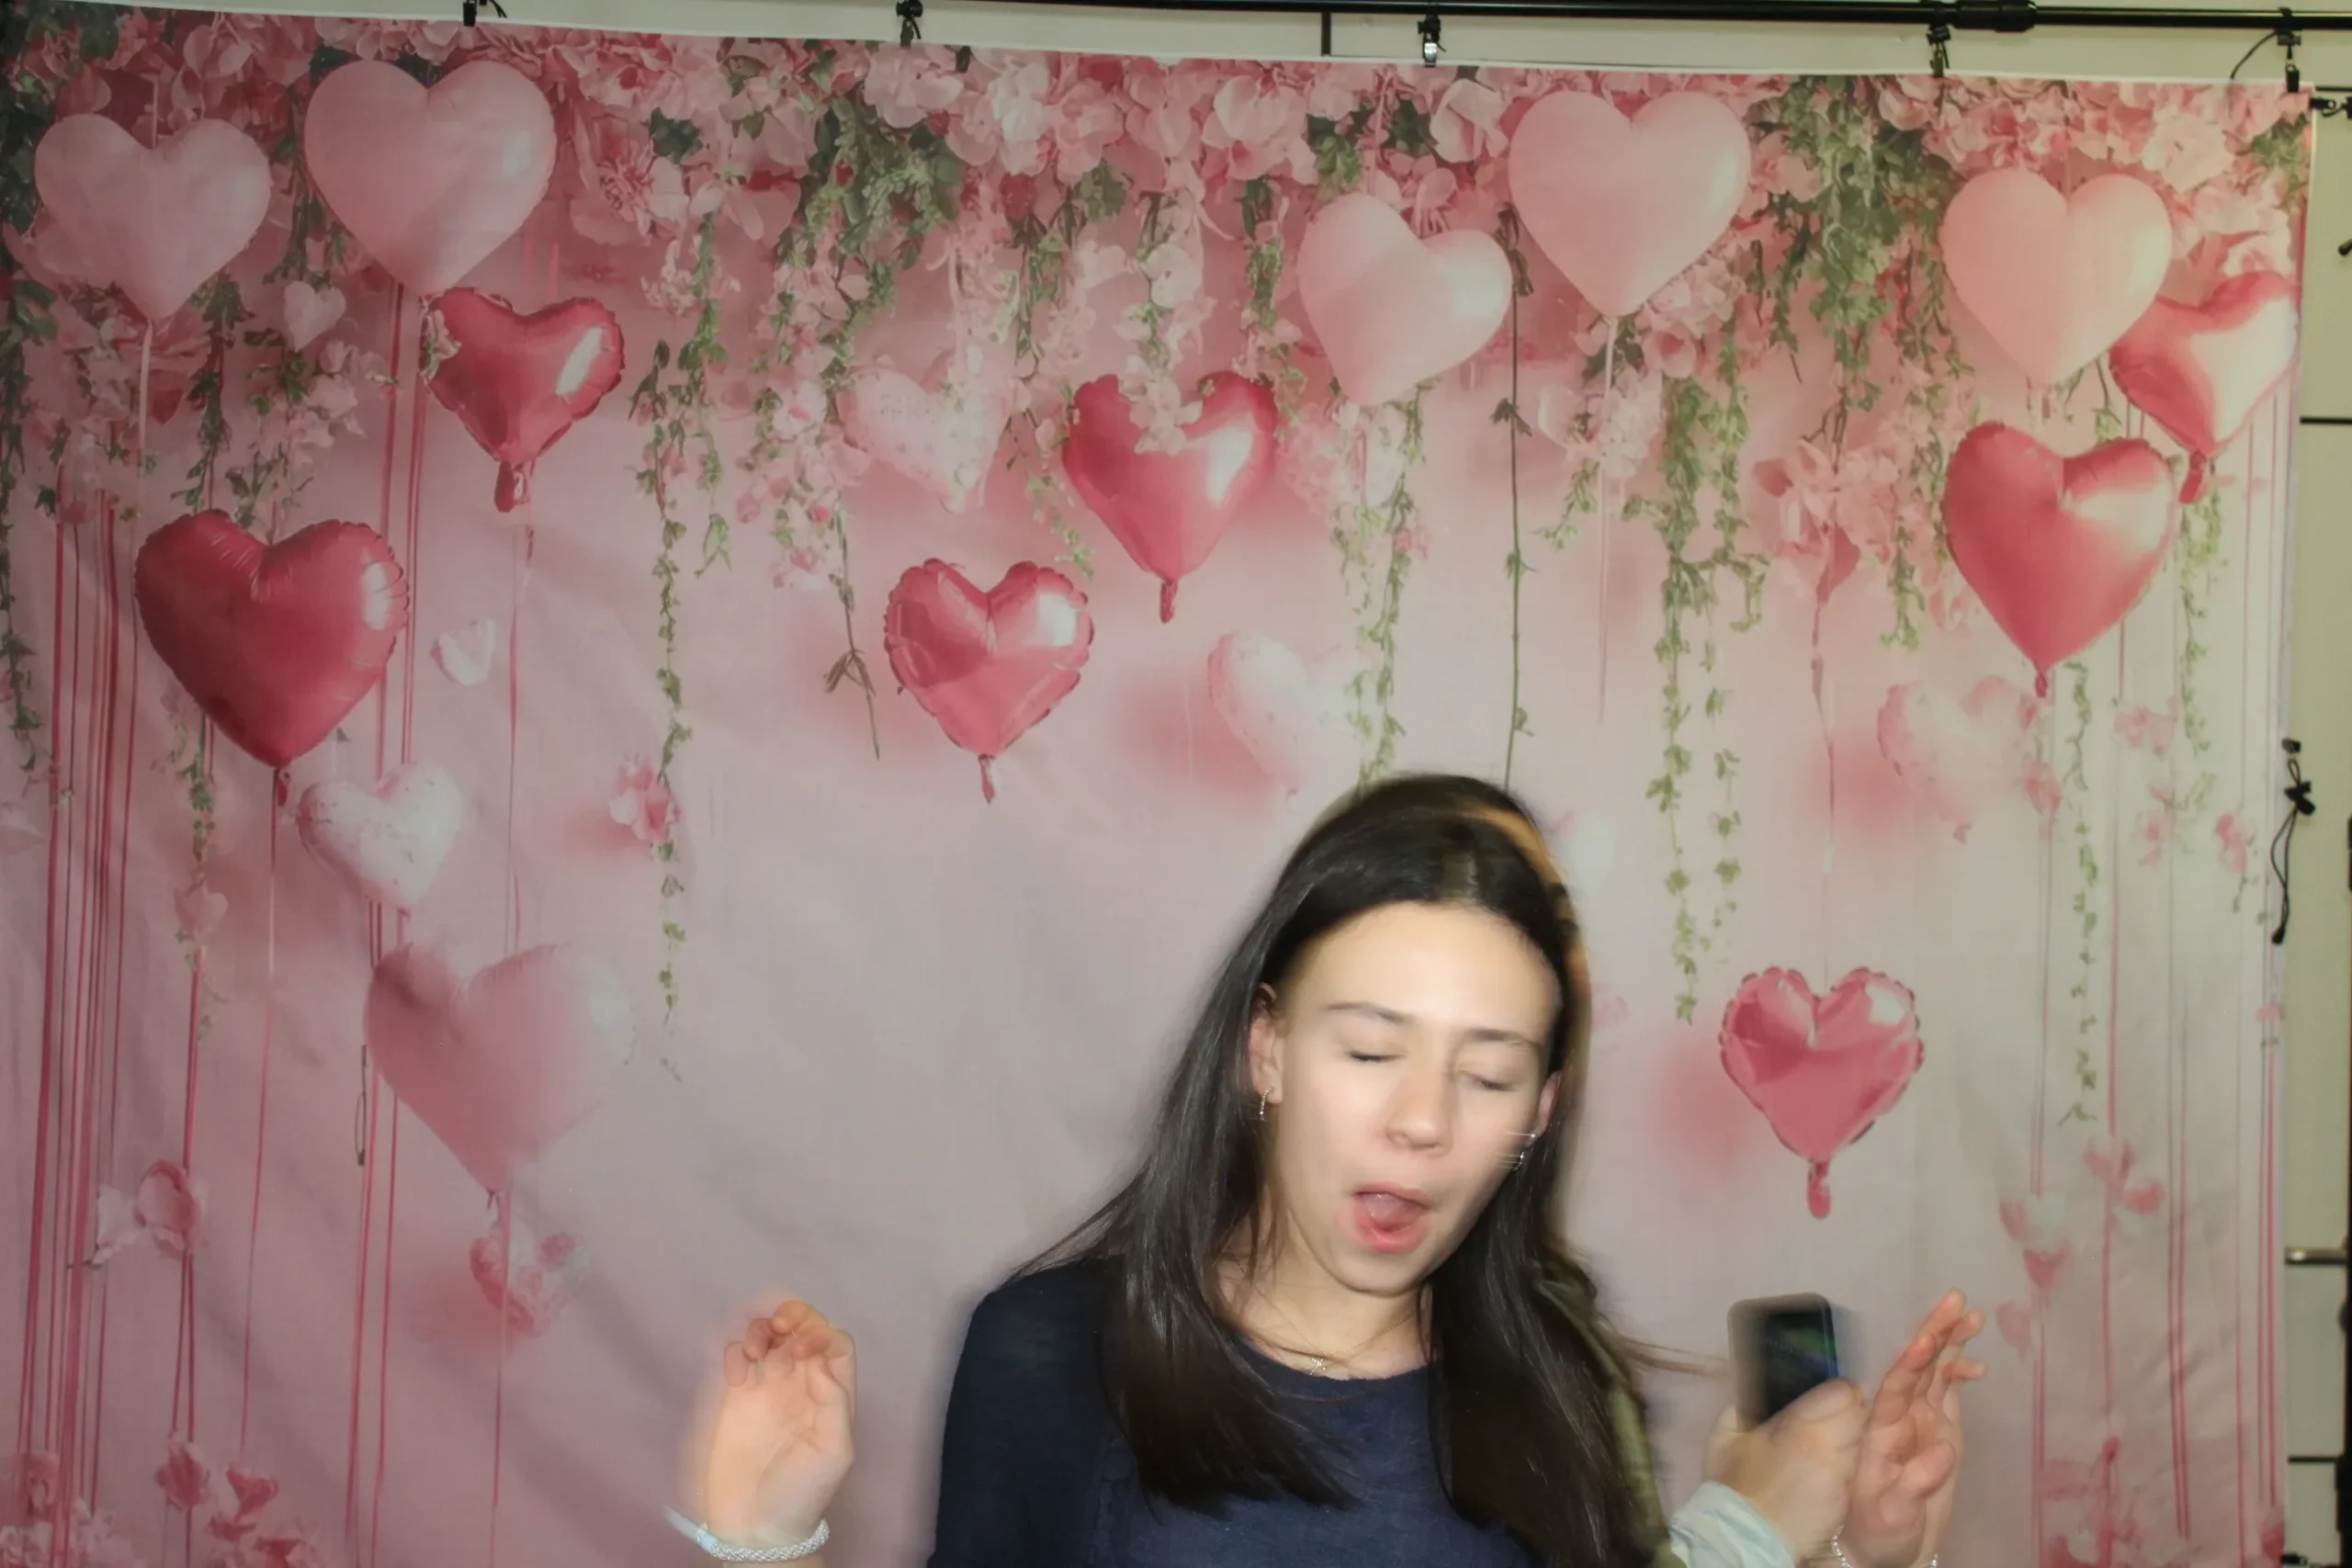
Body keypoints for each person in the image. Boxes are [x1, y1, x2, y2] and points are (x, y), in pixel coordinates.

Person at [680, 773, 1984, 1567]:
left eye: (1487, 1075)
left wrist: (1864, 1552)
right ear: (1265, 1047)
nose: (1422, 1122)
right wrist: (756, 1541)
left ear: (1540, 1111)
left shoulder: (1558, 1376)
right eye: (1369, 1051)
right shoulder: (1053, 1354)